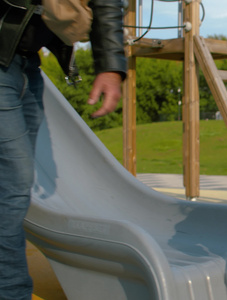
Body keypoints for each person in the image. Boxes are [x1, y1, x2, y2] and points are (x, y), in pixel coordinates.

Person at [0, 0, 126, 299]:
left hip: (26, 61)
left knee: (15, 185)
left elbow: (107, 4)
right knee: (12, 184)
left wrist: (110, 65)